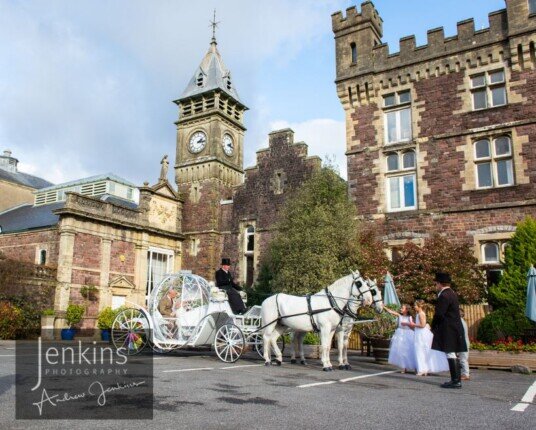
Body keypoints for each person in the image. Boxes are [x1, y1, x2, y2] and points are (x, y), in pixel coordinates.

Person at [431, 272, 468, 389]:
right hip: (454, 327)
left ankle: (455, 380)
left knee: (450, 352)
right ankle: (455, 379)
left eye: (436, 283)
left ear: (439, 284)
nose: (435, 286)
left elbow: (439, 314)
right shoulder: (452, 293)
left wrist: (433, 326)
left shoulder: (444, 295)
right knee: (452, 353)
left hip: (448, 328)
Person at [407, 299, 449, 376]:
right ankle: (422, 368)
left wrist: (413, 324)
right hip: (418, 333)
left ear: (420, 306)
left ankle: (423, 369)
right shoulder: (418, 314)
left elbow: (423, 325)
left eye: (415, 305)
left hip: (421, 334)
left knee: (421, 351)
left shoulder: (421, 314)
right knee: (419, 351)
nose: (414, 307)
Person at [384, 304, 415, 373]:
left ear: (406, 310)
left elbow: (412, 326)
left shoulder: (409, 317)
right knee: (400, 350)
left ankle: (409, 365)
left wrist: (407, 324)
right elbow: (391, 312)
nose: (401, 309)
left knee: (408, 350)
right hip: (400, 333)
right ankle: (403, 367)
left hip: (408, 333)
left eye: (402, 308)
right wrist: (384, 307)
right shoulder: (399, 315)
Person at [459, 308, 470, 381]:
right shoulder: (462, 322)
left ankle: (466, 374)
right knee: (462, 359)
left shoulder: (461, 323)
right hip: (464, 342)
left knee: (463, 359)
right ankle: (464, 373)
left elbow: (461, 334)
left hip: (464, 343)